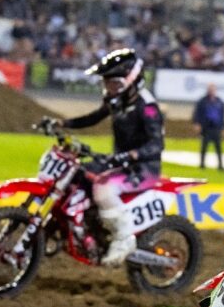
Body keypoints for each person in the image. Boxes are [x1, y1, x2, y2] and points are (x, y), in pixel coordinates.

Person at [58, 48, 164, 266]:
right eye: (106, 83)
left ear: (130, 79)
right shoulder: (117, 101)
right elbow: (94, 117)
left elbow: (157, 144)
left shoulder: (147, 106)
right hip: (120, 162)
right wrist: (63, 124)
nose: (108, 87)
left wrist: (132, 154)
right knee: (79, 174)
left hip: (143, 168)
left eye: (112, 82)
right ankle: (90, 227)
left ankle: (124, 239)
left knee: (103, 188)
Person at [192, 83, 224, 170]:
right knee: (204, 146)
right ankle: (202, 164)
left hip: (216, 127)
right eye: (210, 89)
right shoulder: (202, 101)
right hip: (206, 127)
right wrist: (196, 123)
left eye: (213, 90)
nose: (211, 91)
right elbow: (197, 113)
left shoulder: (219, 101)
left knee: (218, 147)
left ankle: (220, 165)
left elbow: (222, 115)